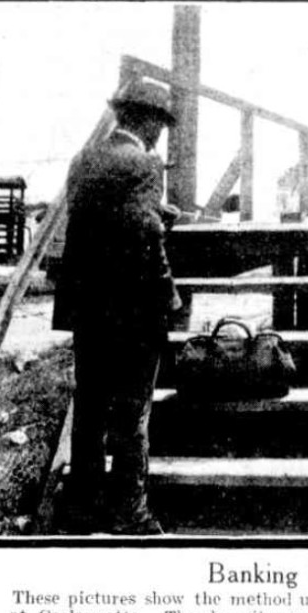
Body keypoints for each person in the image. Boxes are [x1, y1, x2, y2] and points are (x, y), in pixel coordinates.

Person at [51, 80, 185, 535]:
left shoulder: (83, 159)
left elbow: (100, 217)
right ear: (145, 122)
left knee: (89, 406)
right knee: (131, 414)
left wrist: (154, 210)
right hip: (132, 310)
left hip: (88, 306)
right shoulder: (146, 165)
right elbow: (145, 237)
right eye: (160, 125)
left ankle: (80, 507)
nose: (160, 135)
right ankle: (131, 512)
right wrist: (169, 294)